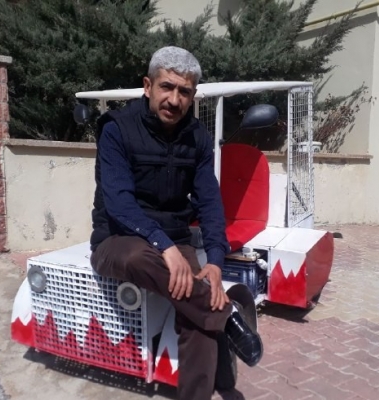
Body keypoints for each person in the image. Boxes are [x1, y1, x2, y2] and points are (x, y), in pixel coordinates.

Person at [89, 46, 263, 399]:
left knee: (198, 315)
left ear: (192, 95)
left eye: (184, 91)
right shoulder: (116, 128)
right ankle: (226, 314)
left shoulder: (197, 137)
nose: (174, 99)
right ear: (147, 86)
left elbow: (210, 202)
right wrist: (163, 246)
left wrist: (215, 261)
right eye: (166, 87)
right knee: (141, 258)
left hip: (175, 239)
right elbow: (119, 203)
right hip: (119, 239)